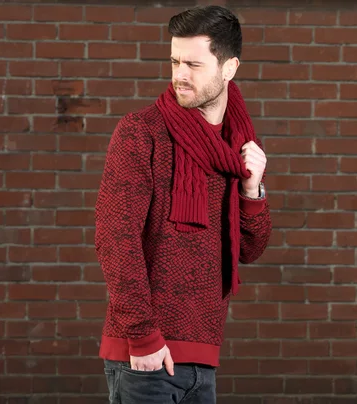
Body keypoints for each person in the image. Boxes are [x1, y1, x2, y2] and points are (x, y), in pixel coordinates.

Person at [94, 5, 272, 403]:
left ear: (229, 69)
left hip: (203, 359)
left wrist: (252, 190)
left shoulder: (237, 146)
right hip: (144, 357)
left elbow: (250, 249)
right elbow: (114, 239)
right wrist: (142, 338)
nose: (180, 74)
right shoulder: (141, 133)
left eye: (193, 63)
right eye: (175, 61)